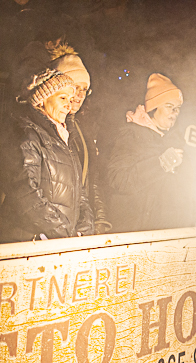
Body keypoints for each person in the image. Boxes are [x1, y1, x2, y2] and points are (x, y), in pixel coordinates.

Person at [0, 66, 94, 242]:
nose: (69, 105)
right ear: (42, 100)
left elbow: (79, 192)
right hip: (31, 242)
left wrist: (85, 226)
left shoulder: (65, 139)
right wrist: (62, 231)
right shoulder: (26, 134)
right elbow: (25, 191)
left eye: (70, 99)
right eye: (62, 98)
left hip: (61, 241)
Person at [104, 73, 191, 232]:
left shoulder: (174, 140)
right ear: (153, 108)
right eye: (168, 106)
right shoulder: (132, 135)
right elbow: (118, 180)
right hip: (134, 232)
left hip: (165, 231)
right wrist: (160, 164)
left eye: (177, 108)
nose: (174, 112)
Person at [49, 41, 111, 234]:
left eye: (85, 89)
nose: (79, 95)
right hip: (49, 232)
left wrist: (99, 219)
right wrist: (61, 229)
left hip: (76, 228)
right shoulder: (47, 128)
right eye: (75, 87)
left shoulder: (81, 129)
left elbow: (91, 179)